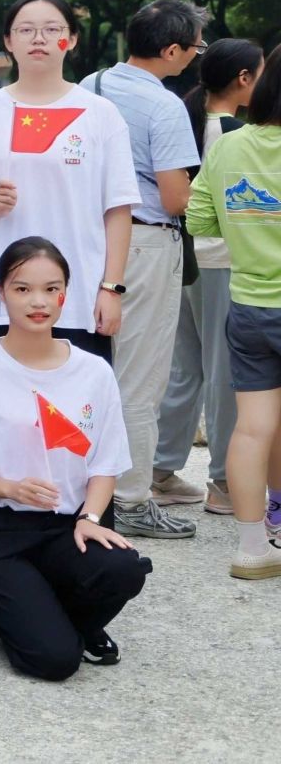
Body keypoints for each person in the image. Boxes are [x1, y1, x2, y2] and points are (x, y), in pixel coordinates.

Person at [0, 237, 151, 679]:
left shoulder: (94, 371)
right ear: (0, 292)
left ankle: (73, 621)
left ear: (65, 294)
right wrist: (10, 488)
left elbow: (105, 463)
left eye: (51, 289)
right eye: (22, 289)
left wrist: (90, 518)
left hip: (66, 527)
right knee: (54, 661)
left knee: (122, 569)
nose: (38, 302)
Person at [80, 0, 209, 540]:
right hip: (145, 242)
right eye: (196, 45)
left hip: (87, 240)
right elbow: (176, 197)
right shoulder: (164, 105)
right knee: (140, 377)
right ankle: (131, 500)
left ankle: (86, 490)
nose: (198, 54)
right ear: (172, 50)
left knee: (88, 370)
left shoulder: (90, 85)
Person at [0, 0, 137, 368]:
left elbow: (118, 208)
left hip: (76, 294)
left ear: (71, 39)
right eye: (26, 30)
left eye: (52, 29)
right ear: (8, 41)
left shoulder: (100, 114)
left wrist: (111, 288)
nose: (39, 38)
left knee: (75, 400)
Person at [184, 50, 281, 579]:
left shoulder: (229, 144)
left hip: (248, 304)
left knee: (253, 428)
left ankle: (252, 547)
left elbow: (199, 219)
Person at [159, 38, 263, 517]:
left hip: (182, 256)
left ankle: (160, 469)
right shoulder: (234, 133)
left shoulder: (186, 120)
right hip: (220, 260)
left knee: (186, 367)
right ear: (243, 79)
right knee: (224, 371)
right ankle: (223, 479)